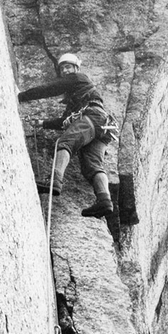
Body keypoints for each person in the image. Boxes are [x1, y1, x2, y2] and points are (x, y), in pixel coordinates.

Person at [18, 53, 114, 218]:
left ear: (76, 68)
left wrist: (22, 96)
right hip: (103, 127)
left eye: (68, 66)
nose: (65, 71)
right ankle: (104, 200)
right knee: (92, 165)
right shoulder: (76, 99)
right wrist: (42, 123)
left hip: (93, 117)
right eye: (62, 68)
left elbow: (49, 89)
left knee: (65, 143)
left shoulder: (78, 78)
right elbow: (65, 121)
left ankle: (54, 181)